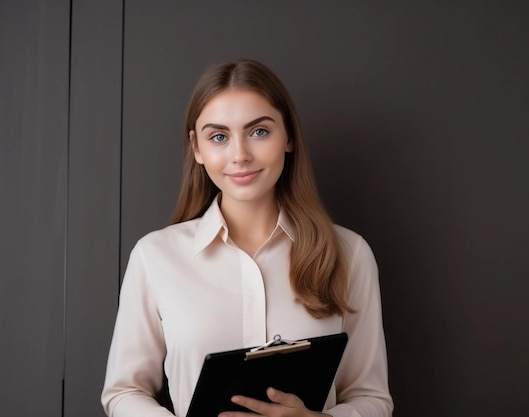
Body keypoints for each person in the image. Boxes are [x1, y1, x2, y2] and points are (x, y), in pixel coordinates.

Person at [101, 59, 393, 417]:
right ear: (197, 148)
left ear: (288, 137)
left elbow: (373, 399)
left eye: (258, 132)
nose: (239, 155)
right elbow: (124, 392)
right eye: (219, 137)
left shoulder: (349, 254)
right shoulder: (155, 256)